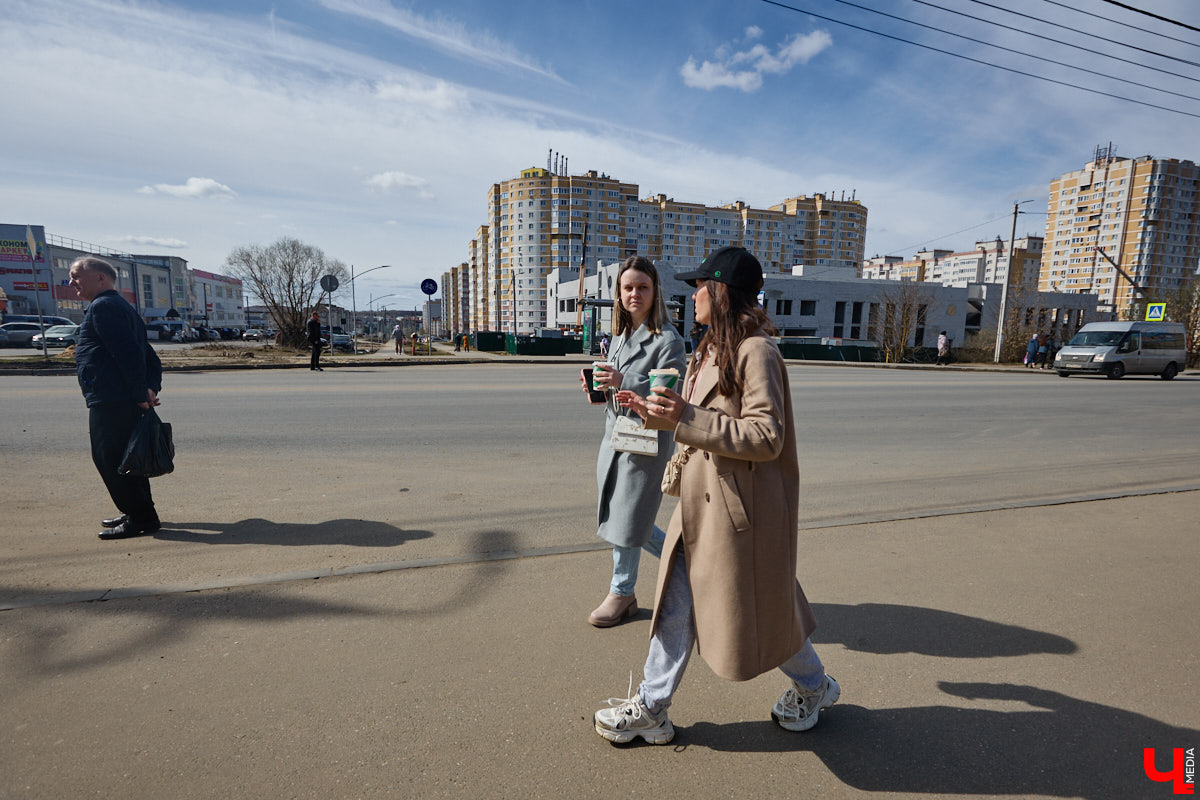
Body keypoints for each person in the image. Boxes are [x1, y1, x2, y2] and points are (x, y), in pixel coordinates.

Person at [594, 246, 837, 745]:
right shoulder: (710, 348)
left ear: (721, 293)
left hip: (738, 512)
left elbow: (766, 436)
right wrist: (649, 409)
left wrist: (684, 417)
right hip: (702, 505)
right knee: (678, 604)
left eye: (701, 286)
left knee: (763, 610)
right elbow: (691, 418)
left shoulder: (757, 351)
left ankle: (813, 686)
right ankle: (653, 706)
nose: (693, 294)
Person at [581, 256, 686, 628]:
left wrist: (622, 380)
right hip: (614, 442)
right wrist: (598, 390)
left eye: (642, 287)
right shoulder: (620, 337)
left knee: (627, 521)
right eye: (628, 287)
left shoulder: (668, 342)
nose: (634, 294)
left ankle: (621, 592)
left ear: (655, 291)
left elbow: (665, 401)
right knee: (627, 521)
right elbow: (617, 391)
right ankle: (695, 567)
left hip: (644, 445)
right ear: (619, 294)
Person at [69, 257, 164, 541]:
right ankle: (141, 512)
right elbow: (147, 355)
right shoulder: (120, 307)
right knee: (130, 458)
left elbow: (129, 355)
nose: (71, 282)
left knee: (110, 460)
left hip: (112, 399)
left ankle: (141, 517)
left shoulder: (104, 307)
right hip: (120, 396)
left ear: (100, 278)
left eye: (76, 276)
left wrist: (141, 394)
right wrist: (149, 388)